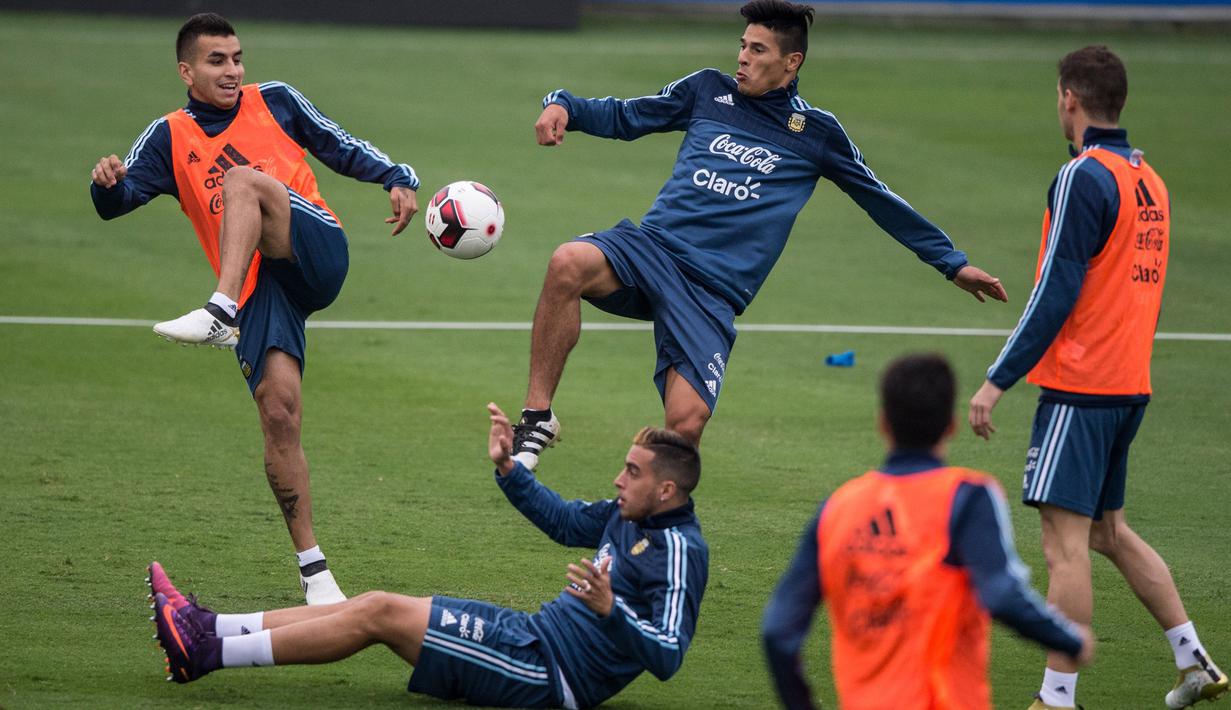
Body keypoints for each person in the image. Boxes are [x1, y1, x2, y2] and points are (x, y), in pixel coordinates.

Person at [508, 0, 1009, 469]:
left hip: (711, 292)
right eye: (743, 46)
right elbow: (627, 115)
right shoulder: (707, 89)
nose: (742, 58)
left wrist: (951, 262)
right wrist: (565, 106)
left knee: (686, 423)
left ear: (792, 62)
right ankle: (537, 419)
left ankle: (653, 535)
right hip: (652, 252)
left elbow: (880, 199)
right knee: (567, 262)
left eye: (757, 50)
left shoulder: (817, 133)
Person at [90, 13, 420, 604]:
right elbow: (116, 203)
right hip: (261, 290)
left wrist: (397, 176)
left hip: (316, 247)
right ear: (186, 71)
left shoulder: (276, 101)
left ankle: (218, 310)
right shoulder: (168, 136)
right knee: (278, 413)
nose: (233, 71)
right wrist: (108, 183)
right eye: (217, 61)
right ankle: (315, 572)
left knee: (244, 181)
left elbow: (339, 145)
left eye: (237, 58)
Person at [967, 46, 1226, 710]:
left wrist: (996, 380)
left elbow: (1054, 291)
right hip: (1127, 382)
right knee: (1107, 530)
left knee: (1064, 545)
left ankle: (1056, 698)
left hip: (1081, 387)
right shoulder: (1150, 180)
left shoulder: (1083, 175)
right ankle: (1192, 660)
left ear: (1068, 99)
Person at [147, 403, 708, 709]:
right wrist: (509, 470)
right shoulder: (626, 512)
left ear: (666, 491)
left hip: (547, 674)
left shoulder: (681, 550)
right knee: (373, 603)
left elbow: (668, 655)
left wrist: (612, 609)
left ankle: (206, 654)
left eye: (632, 473)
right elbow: (564, 521)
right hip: (530, 634)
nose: (618, 479)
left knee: (379, 614)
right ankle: (207, 626)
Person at [763, 353, 1093, 710]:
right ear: (951, 425)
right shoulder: (967, 497)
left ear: (883, 424)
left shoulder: (837, 508)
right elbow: (1001, 594)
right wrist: (1070, 640)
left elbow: (778, 632)